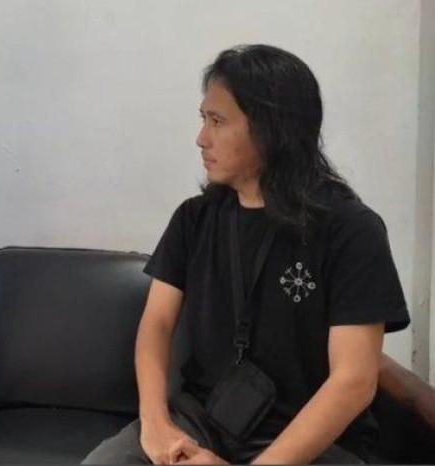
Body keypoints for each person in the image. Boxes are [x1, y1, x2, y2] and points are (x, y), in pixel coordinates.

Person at [83, 44, 410, 464]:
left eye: (217, 121)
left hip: (310, 438)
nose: (201, 138)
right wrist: (155, 423)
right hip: (203, 422)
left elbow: (354, 382)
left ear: (272, 129)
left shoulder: (350, 229)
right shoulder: (194, 218)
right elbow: (157, 324)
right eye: (203, 118)